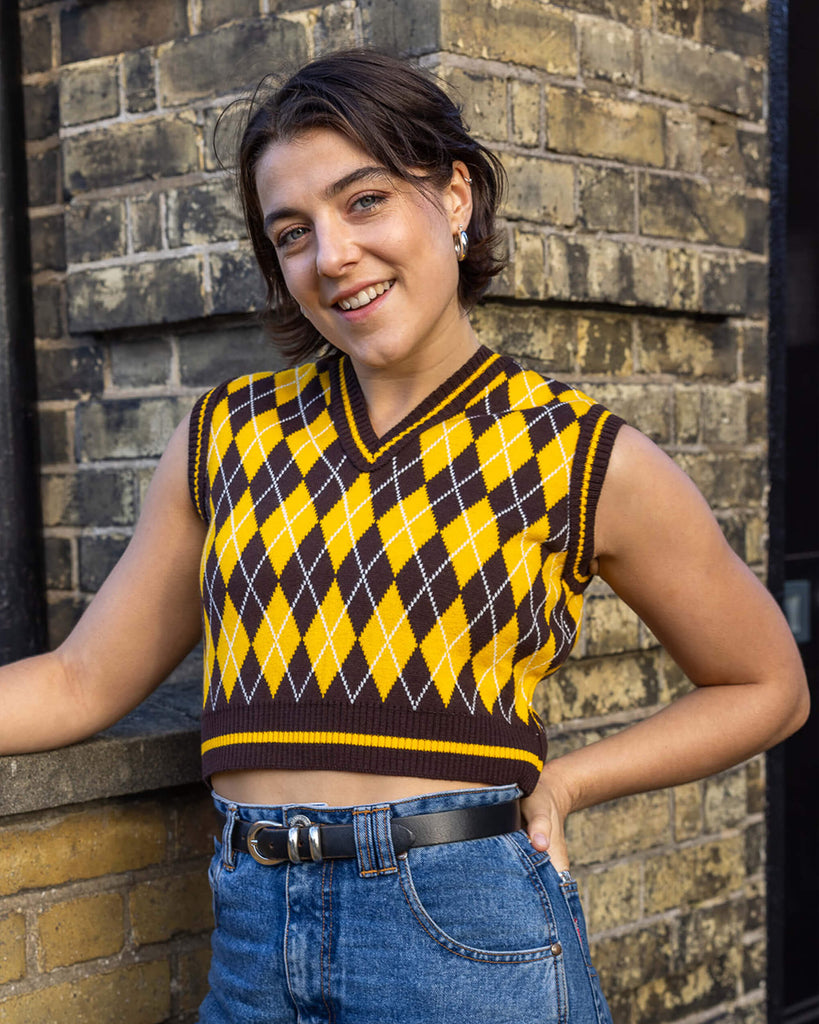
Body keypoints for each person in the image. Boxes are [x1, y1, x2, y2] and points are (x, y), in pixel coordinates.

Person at [0, 49, 809, 1023]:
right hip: (254, 941)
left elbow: (766, 685)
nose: (331, 254)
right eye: (292, 232)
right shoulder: (225, 438)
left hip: (465, 941)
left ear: (454, 195)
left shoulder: (578, 453)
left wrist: (570, 783)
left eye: (366, 201)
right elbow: (81, 680)